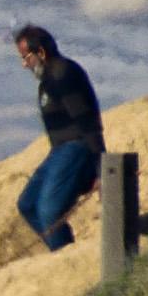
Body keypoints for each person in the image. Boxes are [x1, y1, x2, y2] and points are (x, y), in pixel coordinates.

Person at [14, 27, 105, 246]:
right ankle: (61, 252)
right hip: (60, 150)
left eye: (26, 57)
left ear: (41, 52)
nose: (24, 65)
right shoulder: (48, 80)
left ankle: (67, 258)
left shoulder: (63, 73)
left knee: (49, 211)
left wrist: (101, 166)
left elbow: (87, 121)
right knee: (27, 204)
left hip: (77, 146)